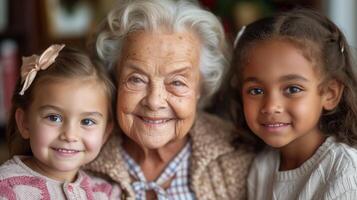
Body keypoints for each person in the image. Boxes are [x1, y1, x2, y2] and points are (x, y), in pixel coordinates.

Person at [84, 0, 255, 199]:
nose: (154, 101)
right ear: (115, 77)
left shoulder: (238, 156)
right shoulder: (75, 153)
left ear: (200, 88)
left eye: (177, 82)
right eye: (137, 79)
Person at [228, 9, 357, 199]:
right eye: (256, 91)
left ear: (329, 94)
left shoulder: (345, 172)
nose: (271, 106)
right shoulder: (263, 166)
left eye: (293, 89)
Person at [0, 44, 120, 199]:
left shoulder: (106, 193)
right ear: (24, 122)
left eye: (87, 121)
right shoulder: (7, 189)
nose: (69, 135)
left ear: (105, 133)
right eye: (54, 118)